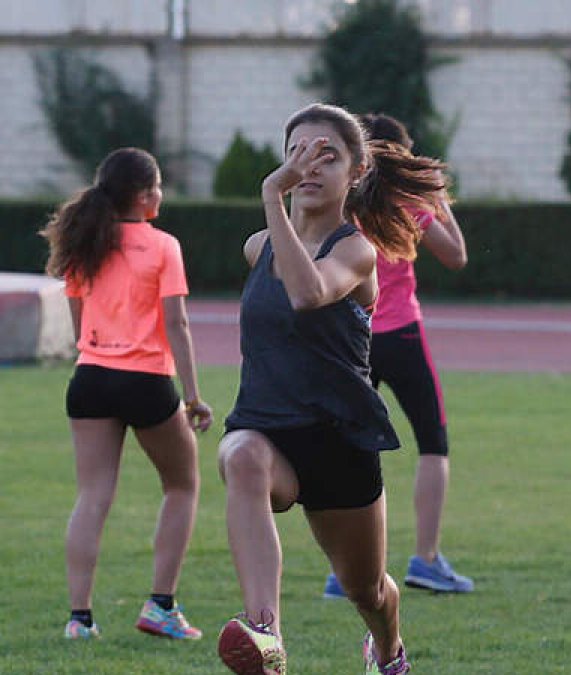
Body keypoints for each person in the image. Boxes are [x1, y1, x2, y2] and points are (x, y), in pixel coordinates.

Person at [214, 103, 445, 675]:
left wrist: (273, 203)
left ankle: (388, 650)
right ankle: (265, 633)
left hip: (340, 442)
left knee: (365, 591)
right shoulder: (256, 247)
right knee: (239, 455)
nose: (309, 167)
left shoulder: (357, 251)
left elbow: (308, 293)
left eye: (328, 156)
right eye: (298, 153)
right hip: (269, 431)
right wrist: (274, 216)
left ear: (356, 173)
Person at [41, 147, 214, 640]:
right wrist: (193, 395)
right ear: (144, 196)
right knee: (182, 486)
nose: (161, 194)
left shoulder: (85, 241)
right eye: (158, 186)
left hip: (91, 378)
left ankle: (80, 619)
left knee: (92, 496)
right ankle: (161, 606)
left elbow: (80, 325)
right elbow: (176, 323)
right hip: (145, 380)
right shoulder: (162, 246)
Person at [322, 113, 471, 600]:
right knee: (433, 442)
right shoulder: (409, 202)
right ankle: (426, 560)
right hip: (402, 334)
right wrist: (436, 198)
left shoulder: (342, 202)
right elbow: (456, 256)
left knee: (348, 449)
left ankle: (345, 567)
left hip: (351, 337)